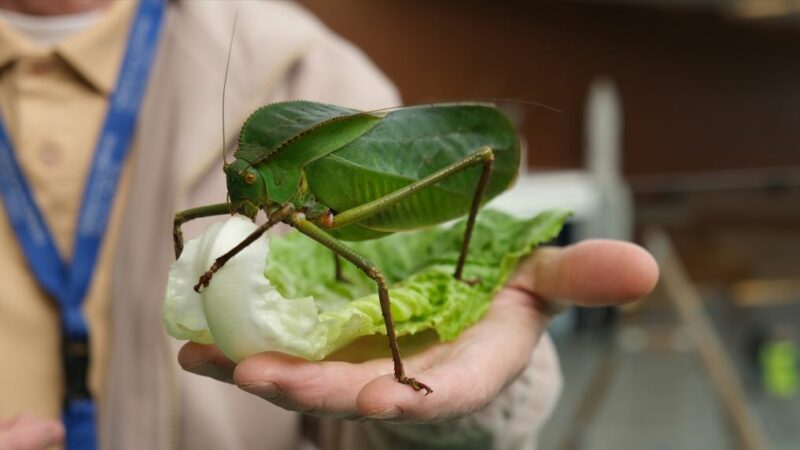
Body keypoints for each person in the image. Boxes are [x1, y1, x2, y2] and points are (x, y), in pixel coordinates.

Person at [0, 1, 659, 449]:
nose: (240, 196)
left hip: (368, 198)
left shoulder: (298, 59)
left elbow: (389, 273)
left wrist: (443, 410)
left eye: (245, 184)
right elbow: (202, 224)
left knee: (370, 265)